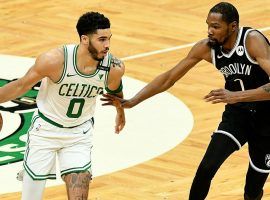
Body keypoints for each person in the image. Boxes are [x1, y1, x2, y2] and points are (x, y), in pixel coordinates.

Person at [101, 2, 270, 200]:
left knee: (252, 191)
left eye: (215, 27)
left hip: (266, 117)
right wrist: (133, 101)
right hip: (237, 114)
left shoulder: (252, 40)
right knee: (206, 169)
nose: (209, 31)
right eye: (208, 25)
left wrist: (235, 96)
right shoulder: (206, 47)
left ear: (233, 27)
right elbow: (170, 77)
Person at [0, 11, 125, 200]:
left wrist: (120, 112)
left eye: (109, 39)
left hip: (78, 134)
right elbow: (20, 85)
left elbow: (116, 92)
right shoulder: (55, 60)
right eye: (101, 39)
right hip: (45, 131)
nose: (107, 45)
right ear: (84, 39)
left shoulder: (113, 68)